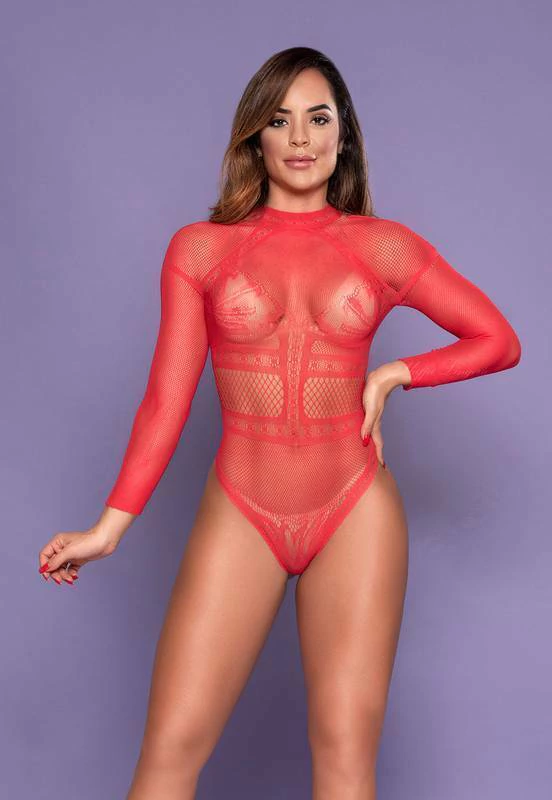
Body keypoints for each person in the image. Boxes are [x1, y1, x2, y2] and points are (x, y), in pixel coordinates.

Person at [38, 46, 521, 800]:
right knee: (170, 752)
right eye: (279, 119)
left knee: (344, 758)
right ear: (254, 137)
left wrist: (395, 373)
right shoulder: (200, 250)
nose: (300, 138)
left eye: (318, 119)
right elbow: (166, 399)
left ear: (343, 136)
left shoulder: (382, 246)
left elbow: (498, 340)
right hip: (243, 504)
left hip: (355, 506)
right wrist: (110, 528)